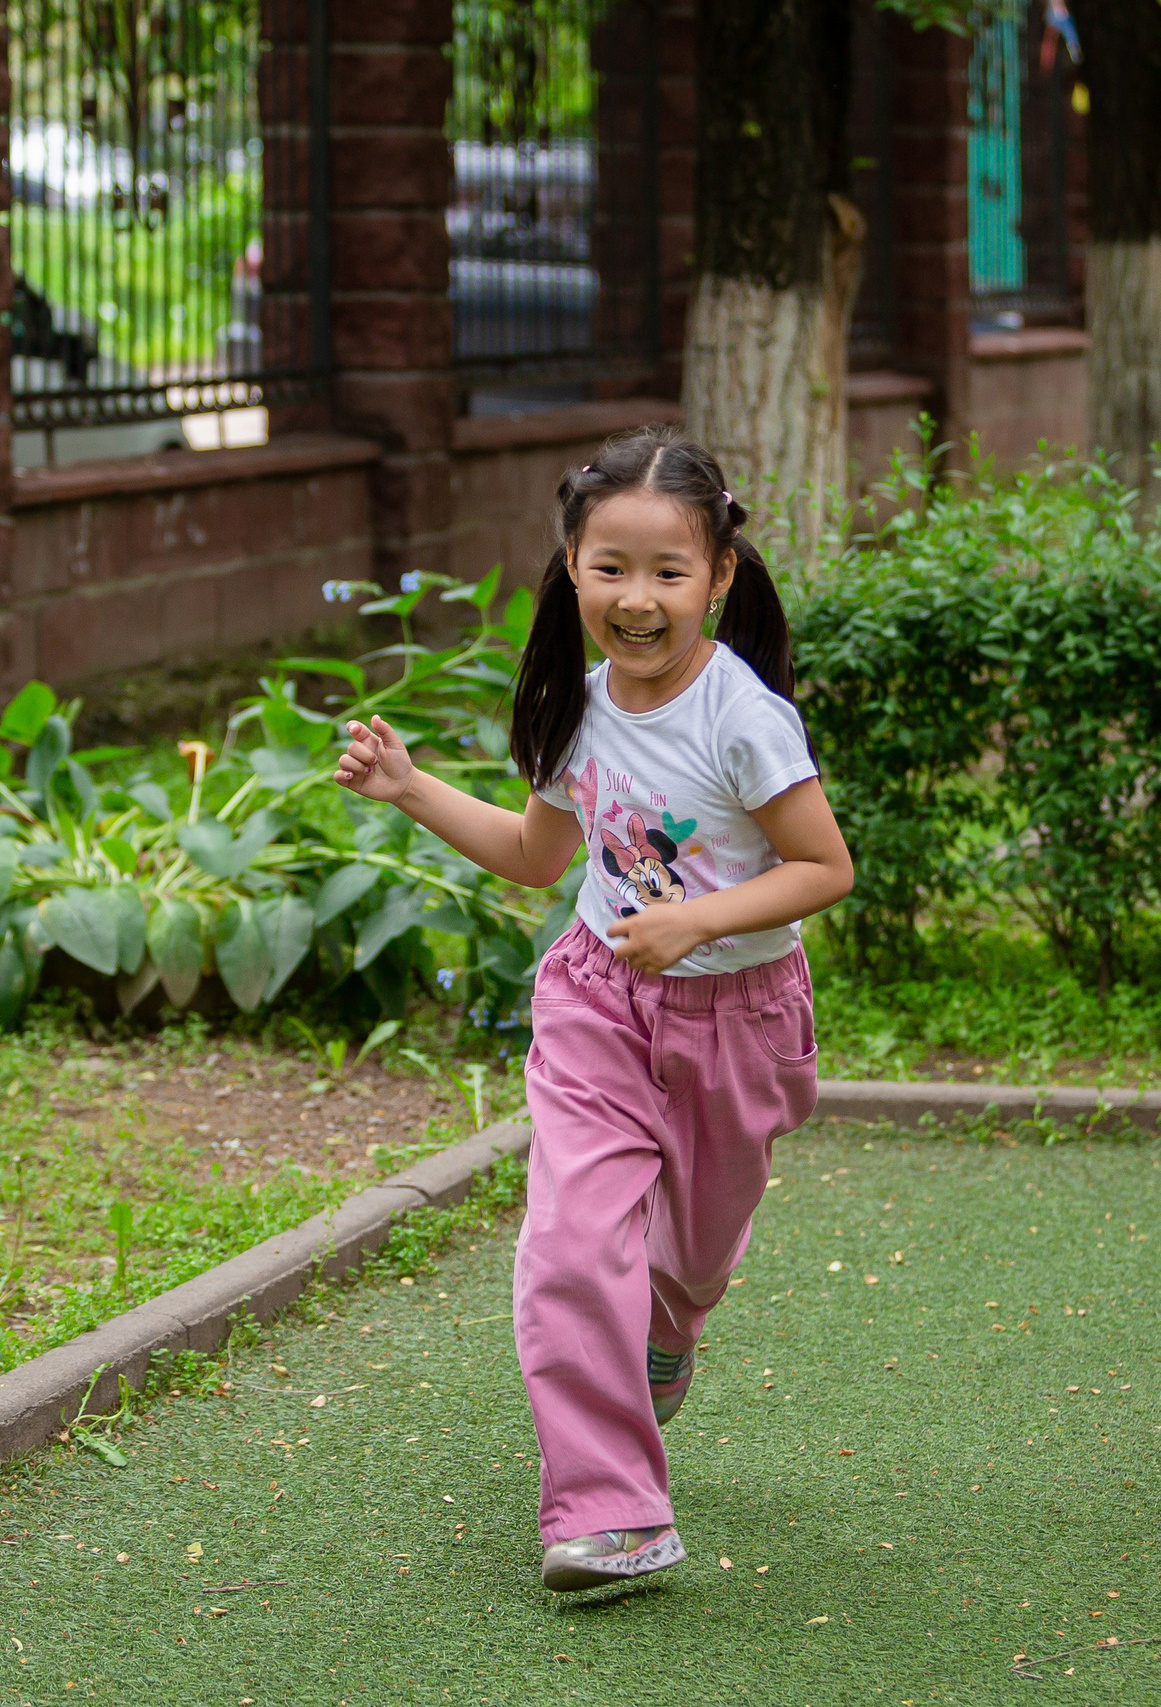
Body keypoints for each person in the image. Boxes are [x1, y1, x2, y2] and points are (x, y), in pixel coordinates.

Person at [332, 427, 852, 1593]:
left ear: (717, 574)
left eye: (668, 571)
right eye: (609, 566)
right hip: (597, 1000)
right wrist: (411, 788)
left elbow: (823, 869)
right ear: (570, 563)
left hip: (741, 1020)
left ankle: (667, 1337)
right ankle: (610, 1511)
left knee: (691, 1262)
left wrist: (699, 923)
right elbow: (533, 855)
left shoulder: (743, 715)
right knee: (570, 1245)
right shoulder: (571, 707)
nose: (637, 597)